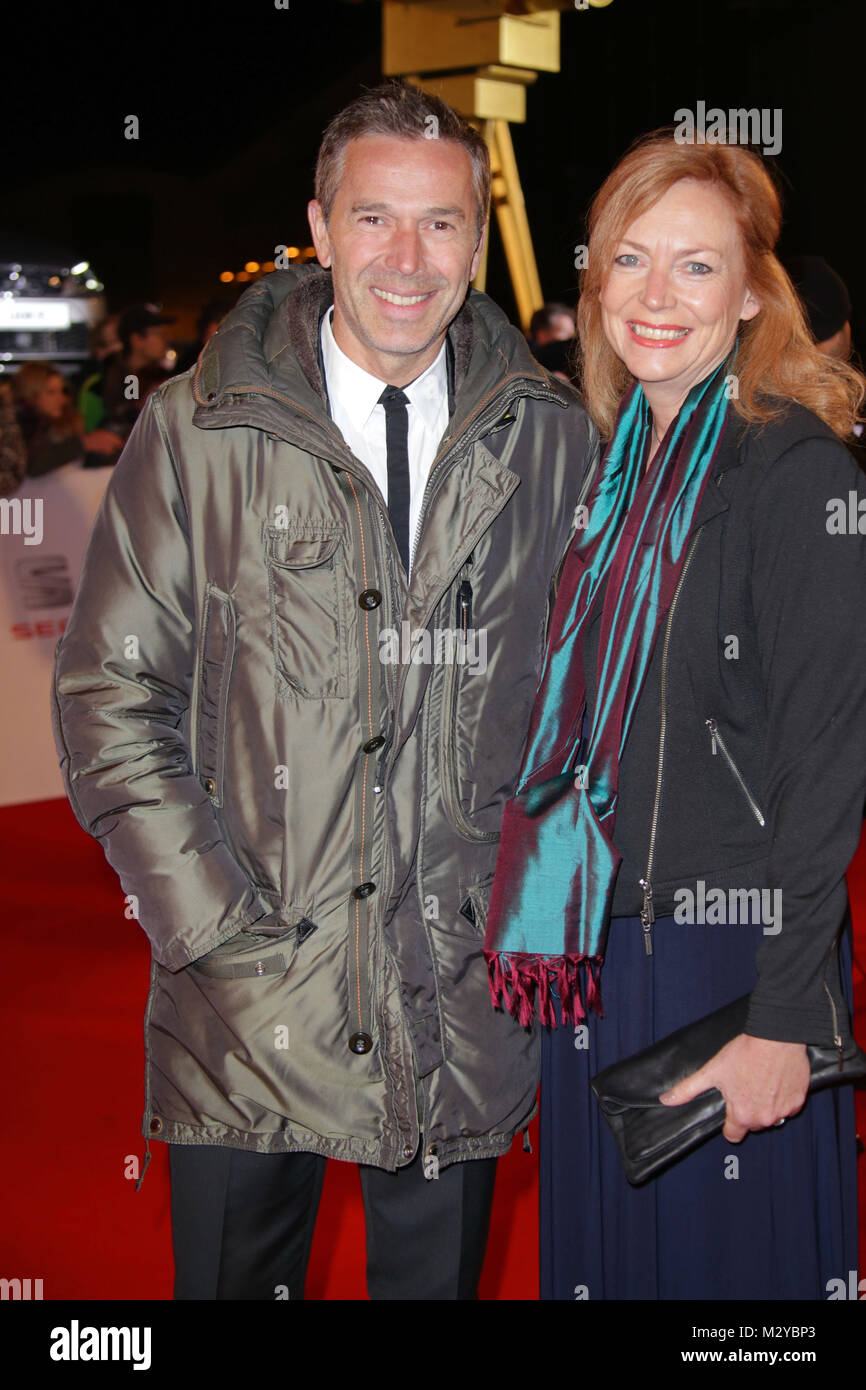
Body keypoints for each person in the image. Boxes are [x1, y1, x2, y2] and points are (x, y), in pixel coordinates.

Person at [51, 79, 595, 1302]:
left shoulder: (552, 438)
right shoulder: (199, 430)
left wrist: (526, 935)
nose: (406, 258)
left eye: (440, 223)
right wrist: (214, 932)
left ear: (476, 236)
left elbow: (580, 713)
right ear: (317, 226)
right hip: (245, 1013)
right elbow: (110, 696)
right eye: (372, 218)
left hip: (458, 1008)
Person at [483, 130, 866, 1300]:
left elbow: (825, 763)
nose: (656, 295)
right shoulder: (600, 468)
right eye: (629, 259)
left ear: (749, 292)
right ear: (595, 282)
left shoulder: (794, 474)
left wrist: (785, 1018)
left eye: (695, 266)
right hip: (596, 951)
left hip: (726, 964)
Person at [11, 362, 123, 476]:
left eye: (62, 391)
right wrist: (84, 443)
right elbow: (31, 465)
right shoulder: (18, 428)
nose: (61, 398)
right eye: (51, 392)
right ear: (30, 394)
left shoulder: (69, 422)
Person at [97, 302, 174, 442]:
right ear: (137, 340)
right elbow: (123, 419)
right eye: (158, 335)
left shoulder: (160, 375)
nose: (165, 341)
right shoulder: (122, 377)